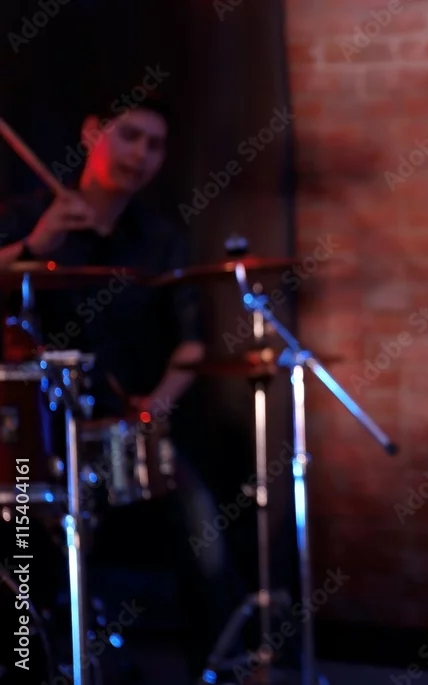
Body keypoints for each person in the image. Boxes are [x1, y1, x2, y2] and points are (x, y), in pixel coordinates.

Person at [0, 90, 240, 682]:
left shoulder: (160, 238)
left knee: (203, 530)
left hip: (125, 425)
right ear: (91, 133)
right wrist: (33, 248)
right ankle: (35, 659)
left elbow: (190, 345)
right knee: (25, 542)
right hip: (39, 434)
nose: (140, 154)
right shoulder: (27, 216)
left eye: (155, 145)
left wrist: (155, 406)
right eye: (129, 135)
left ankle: (215, 668)